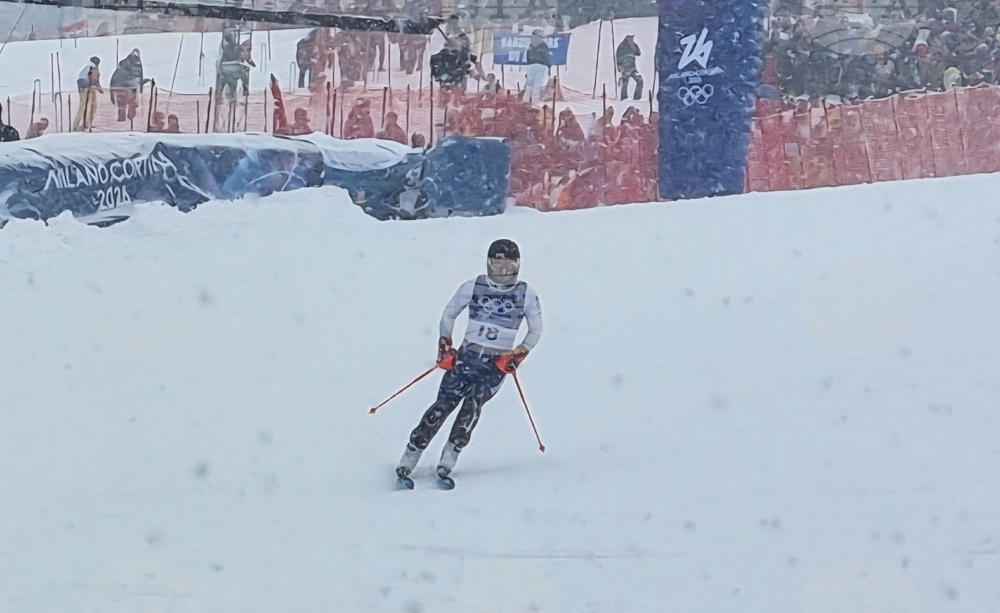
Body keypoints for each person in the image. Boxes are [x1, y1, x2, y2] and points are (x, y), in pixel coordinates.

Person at [395, 239, 543, 489]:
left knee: (471, 408)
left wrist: (517, 354)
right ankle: (410, 457)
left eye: (508, 265)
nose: (502, 271)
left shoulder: (526, 293)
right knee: (442, 406)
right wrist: (445, 344)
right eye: (497, 265)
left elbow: (535, 330)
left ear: (517, 266)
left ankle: (448, 461)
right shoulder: (474, 285)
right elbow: (449, 314)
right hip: (466, 357)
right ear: (488, 264)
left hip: (495, 365)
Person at [109, 49, 148, 123]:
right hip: (130, 87)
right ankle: (131, 117)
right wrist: (141, 86)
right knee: (132, 102)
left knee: (121, 103)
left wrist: (113, 87)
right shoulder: (137, 64)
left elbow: (115, 77)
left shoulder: (122, 64)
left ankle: (122, 117)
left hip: (119, 87)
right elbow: (138, 76)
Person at [73, 56, 103, 131]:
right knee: (86, 106)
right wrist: (99, 88)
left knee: (85, 106)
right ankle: (79, 126)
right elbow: (94, 79)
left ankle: (84, 124)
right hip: (88, 86)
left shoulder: (87, 67)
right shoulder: (93, 68)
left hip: (84, 85)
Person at [523, 30, 551, 104]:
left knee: (529, 85)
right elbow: (546, 57)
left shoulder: (531, 44)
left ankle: (525, 102)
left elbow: (527, 56)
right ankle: (535, 104)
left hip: (531, 65)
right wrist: (549, 66)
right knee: (536, 86)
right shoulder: (543, 45)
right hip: (541, 65)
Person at [616, 34, 643, 101]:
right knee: (625, 83)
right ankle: (624, 97)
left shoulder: (633, 46)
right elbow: (618, 57)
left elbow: (638, 53)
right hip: (625, 68)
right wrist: (619, 66)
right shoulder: (621, 47)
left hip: (633, 68)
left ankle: (637, 97)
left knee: (640, 81)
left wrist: (634, 45)